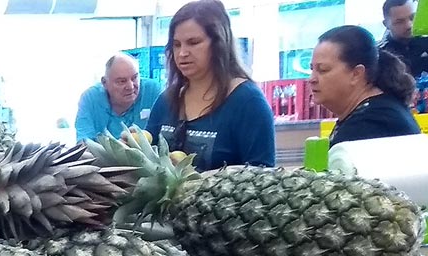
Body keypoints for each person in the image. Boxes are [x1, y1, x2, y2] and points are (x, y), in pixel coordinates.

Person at [146, 0, 276, 170]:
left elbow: (264, 176)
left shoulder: (248, 102)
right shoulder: (166, 101)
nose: (182, 53)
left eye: (193, 42)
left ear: (219, 43)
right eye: (176, 45)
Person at [312, 25, 422, 144]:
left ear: (356, 74)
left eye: (323, 69)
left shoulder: (371, 124)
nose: (312, 79)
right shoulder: (374, 112)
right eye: (312, 69)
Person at [74, 54, 164, 141]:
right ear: (104, 82)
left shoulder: (154, 91)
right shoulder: (90, 99)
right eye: (122, 81)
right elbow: (84, 143)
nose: (131, 86)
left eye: (134, 78)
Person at [379, 0, 428, 77]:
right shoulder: (381, 55)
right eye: (399, 22)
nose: (409, 25)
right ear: (386, 24)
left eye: (413, 17)